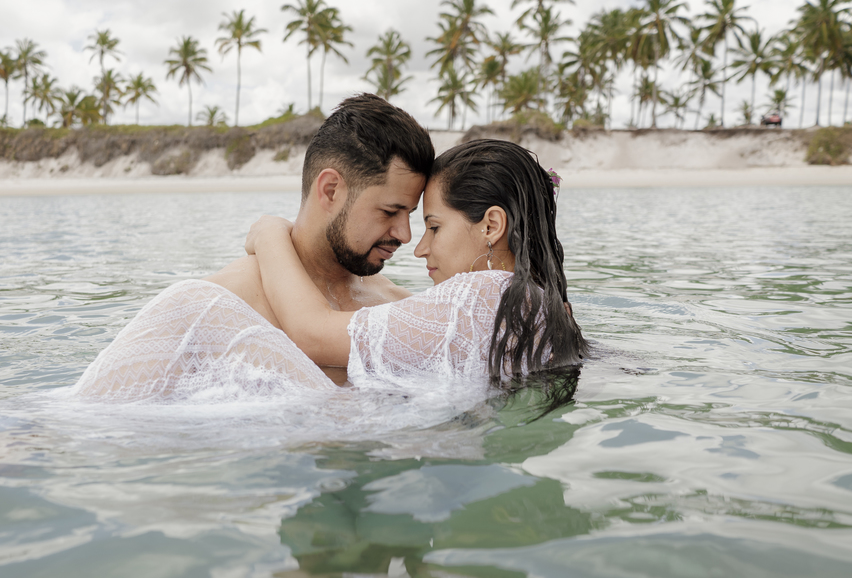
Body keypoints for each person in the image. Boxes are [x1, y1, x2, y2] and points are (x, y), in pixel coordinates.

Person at [70, 93, 434, 402]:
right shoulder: (210, 306)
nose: (404, 234)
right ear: (330, 190)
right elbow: (85, 415)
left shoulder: (395, 303)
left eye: (411, 215)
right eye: (389, 211)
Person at [245, 138, 587, 391]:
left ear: (491, 226)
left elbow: (312, 335)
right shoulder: (546, 306)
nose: (419, 248)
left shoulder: (481, 295)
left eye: (434, 227)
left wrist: (269, 233)